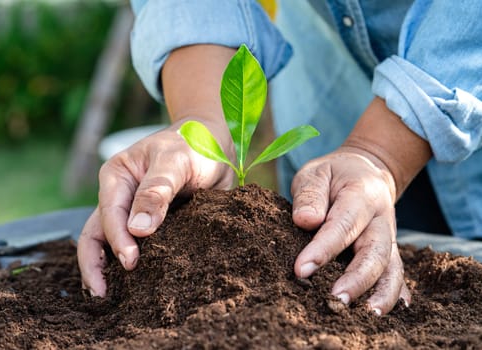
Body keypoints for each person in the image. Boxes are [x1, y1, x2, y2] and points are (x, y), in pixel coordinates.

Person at [77, 0, 482, 316]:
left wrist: (379, 155)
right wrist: (202, 119)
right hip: (329, 88)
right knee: (331, 236)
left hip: (468, 96)